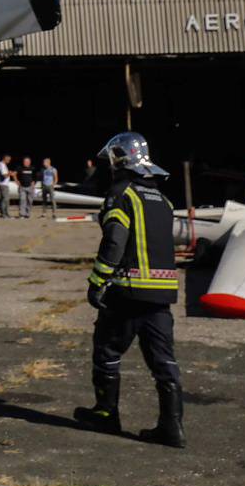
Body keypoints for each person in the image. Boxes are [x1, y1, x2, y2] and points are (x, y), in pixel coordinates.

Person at [74, 131, 184, 448]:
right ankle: (172, 428)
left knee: (107, 350)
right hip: (162, 296)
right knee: (164, 363)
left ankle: (107, 414)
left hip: (128, 292)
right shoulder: (163, 200)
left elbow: (114, 242)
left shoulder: (121, 195)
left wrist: (97, 282)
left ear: (120, 159)